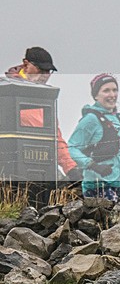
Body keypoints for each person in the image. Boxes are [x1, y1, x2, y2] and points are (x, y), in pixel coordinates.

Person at [5, 47, 81, 182]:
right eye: (40, 69)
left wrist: (71, 168)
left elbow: (56, 138)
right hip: (9, 164)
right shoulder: (6, 90)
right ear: (26, 64)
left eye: (48, 71)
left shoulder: (45, 100)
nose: (44, 75)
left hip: (40, 164)